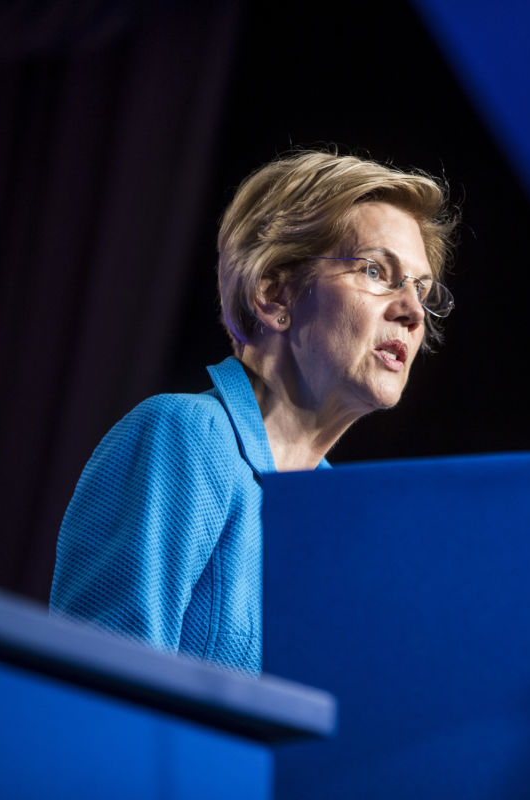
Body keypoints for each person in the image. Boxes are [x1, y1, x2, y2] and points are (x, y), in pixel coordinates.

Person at [49, 150, 457, 673]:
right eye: (377, 271)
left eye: (421, 290)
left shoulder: (338, 521)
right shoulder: (185, 438)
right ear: (273, 294)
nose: (411, 312)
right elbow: (100, 694)